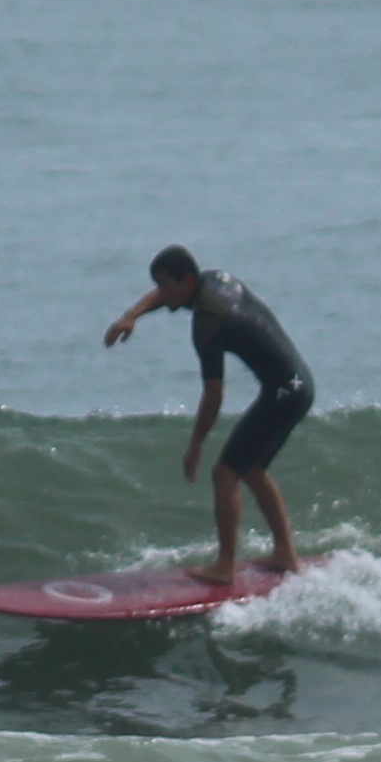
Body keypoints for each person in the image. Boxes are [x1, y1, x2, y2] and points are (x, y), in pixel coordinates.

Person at [100, 246, 312, 582]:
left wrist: (195, 445)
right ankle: (285, 554)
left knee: (225, 475)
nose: (160, 293)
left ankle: (225, 567)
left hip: (283, 395)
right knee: (252, 469)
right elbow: (162, 297)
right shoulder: (214, 279)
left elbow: (214, 393)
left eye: (165, 285)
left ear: (185, 281)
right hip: (299, 386)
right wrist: (132, 314)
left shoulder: (208, 323)